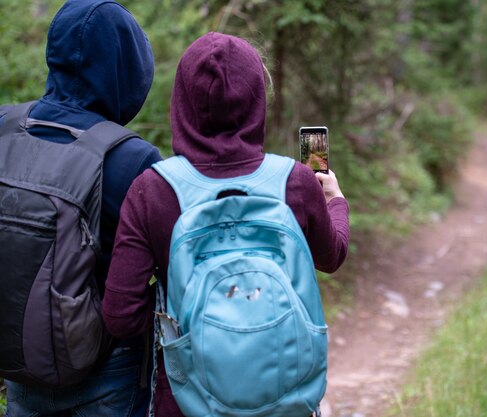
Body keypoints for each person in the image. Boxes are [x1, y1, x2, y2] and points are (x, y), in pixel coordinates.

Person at [102, 32, 351, 417]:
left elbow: (120, 315)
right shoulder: (295, 182)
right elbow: (332, 255)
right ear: (256, 98)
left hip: (188, 401)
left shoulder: (153, 189)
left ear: (182, 101)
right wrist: (335, 201)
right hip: (285, 395)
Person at [1, 0, 161, 416]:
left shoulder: (4, 129)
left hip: (18, 361)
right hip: (105, 370)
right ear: (128, 68)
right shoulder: (132, 159)